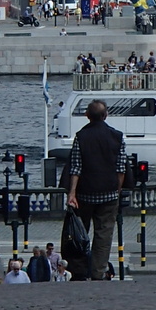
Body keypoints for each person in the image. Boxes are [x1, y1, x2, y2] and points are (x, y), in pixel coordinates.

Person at [66, 99, 128, 281]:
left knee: (79, 233)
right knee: (104, 235)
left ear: (87, 116)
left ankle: (79, 270)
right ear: (105, 115)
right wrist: (117, 190)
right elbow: (121, 168)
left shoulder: (81, 136)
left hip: (84, 194)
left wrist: (72, 193)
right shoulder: (117, 136)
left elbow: (75, 167)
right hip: (108, 193)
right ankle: (98, 272)